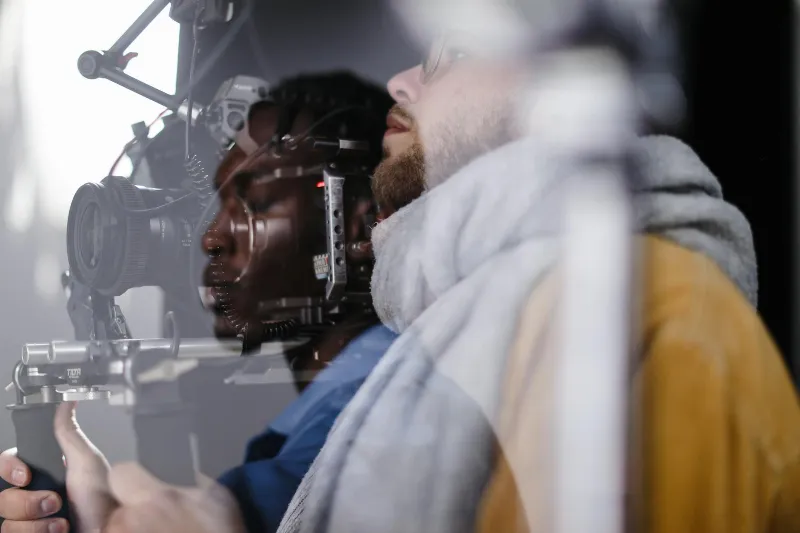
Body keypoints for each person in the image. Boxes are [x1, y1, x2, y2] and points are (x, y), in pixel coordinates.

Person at [0, 71, 397, 533]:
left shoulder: (377, 413)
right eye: (214, 204)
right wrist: (99, 516)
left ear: (353, 226)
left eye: (256, 205)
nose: (210, 238)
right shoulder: (323, 412)